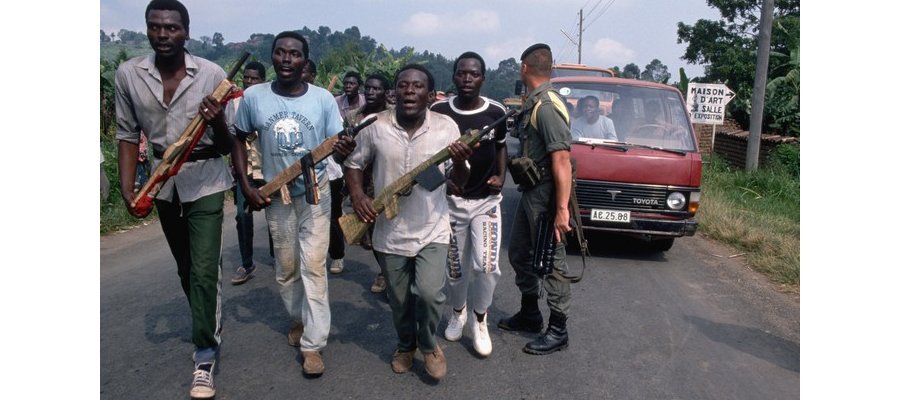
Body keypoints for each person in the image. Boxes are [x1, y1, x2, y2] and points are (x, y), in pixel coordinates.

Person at [115, 0, 237, 397]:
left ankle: (205, 354)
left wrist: (217, 119)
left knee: (203, 269)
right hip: (162, 182)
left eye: (172, 27)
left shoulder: (211, 74)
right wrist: (128, 189)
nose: (163, 34)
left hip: (206, 179)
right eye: (155, 27)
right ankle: (208, 316)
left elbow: (227, 143)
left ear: (186, 31)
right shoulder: (129, 74)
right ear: (147, 29)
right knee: (186, 268)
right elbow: (127, 135)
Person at [233, 31, 355, 378]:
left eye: (295, 54)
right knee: (286, 269)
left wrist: (343, 149)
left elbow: (337, 145)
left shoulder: (322, 100)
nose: (287, 59)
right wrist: (247, 185)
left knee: (313, 267)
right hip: (277, 196)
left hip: (316, 194)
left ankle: (313, 344)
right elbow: (238, 139)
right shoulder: (254, 97)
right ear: (272, 56)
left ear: (305, 60)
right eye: (280, 52)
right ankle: (299, 319)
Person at [343, 64, 473, 381]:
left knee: (429, 294)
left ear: (430, 95)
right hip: (390, 232)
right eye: (403, 85)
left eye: (417, 86)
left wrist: (459, 162)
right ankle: (405, 346)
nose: (410, 91)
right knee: (399, 300)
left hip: (432, 228)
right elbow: (353, 163)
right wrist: (358, 195)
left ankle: (428, 346)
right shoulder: (375, 125)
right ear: (394, 92)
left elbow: (459, 182)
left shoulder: (446, 127)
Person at [497, 43, 575, 356]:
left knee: (551, 258)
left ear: (524, 68)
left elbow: (562, 159)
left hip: (546, 195)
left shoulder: (547, 105)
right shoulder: (535, 101)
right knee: (520, 252)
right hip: (532, 191)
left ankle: (558, 329)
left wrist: (561, 210)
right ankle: (530, 313)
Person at [430, 51, 507, 357]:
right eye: (461, 73)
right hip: (450, 203)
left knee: (487, 266)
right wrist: (440, 182)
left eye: (473, 74)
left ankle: (480, 319)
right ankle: (458, 312)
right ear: (454, 76)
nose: (467, 79)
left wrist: (501, 175)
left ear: (482, 79)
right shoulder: (438, 111)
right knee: (455, 269)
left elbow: (501, 147)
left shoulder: (496, 111)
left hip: (485, 201)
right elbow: (427, 155)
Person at [341, 74, 393, 291]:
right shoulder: (353, 117)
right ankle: (384, 272)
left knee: (390, 228)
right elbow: (344, 153)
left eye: (377, 89)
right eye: (368, 88)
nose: (371, 93)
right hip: (361, 181)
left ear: (386, 93)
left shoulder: (394, 115)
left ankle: (392, 273)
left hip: (387, 177)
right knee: (372, 231)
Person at [230, 61, 273, 285]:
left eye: (254, 78)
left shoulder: (271, 103)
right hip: (244, 170)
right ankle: (246, 263)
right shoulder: (234, 103)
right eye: (246, 77)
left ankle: (278, 255)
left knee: (274, 213)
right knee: (242, 215)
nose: (249, 81)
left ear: (263, 81)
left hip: (268, 168)